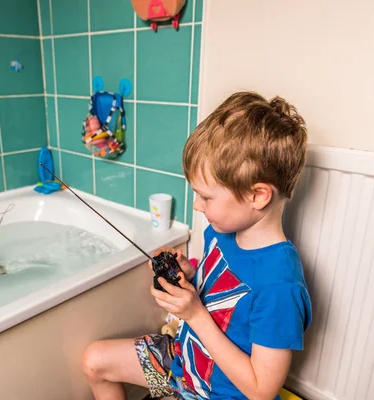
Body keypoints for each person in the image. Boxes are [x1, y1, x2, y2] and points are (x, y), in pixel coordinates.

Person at [81, 91, 313, 400]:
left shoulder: (279, 286)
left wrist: (195, 316)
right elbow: (216, 296)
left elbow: (262, 390)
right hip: (181, 365)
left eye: (206, 196)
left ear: (258, 196)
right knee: (95, 361)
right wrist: (186, 275)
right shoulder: (221, 231)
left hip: (218, 394)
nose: (196, 206)